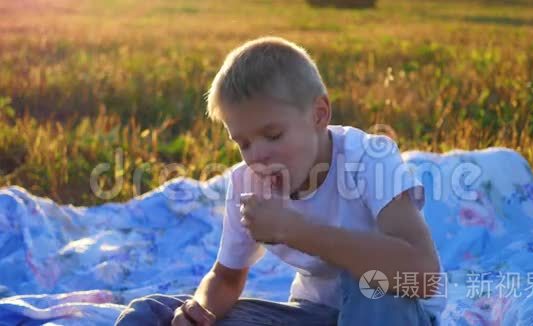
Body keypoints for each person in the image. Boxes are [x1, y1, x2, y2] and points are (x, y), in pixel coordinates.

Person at [115, 36, 446, 326]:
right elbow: (227, 279)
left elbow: (423, 275)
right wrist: (200, 310)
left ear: (319, 115)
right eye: (242, 143)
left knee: (372, 288)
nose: (256, 155)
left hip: (391, 311)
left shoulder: (369, 159)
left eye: (272, 135)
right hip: (311, 314)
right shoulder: (249, 184)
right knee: (151, 314)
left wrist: (293, 230)